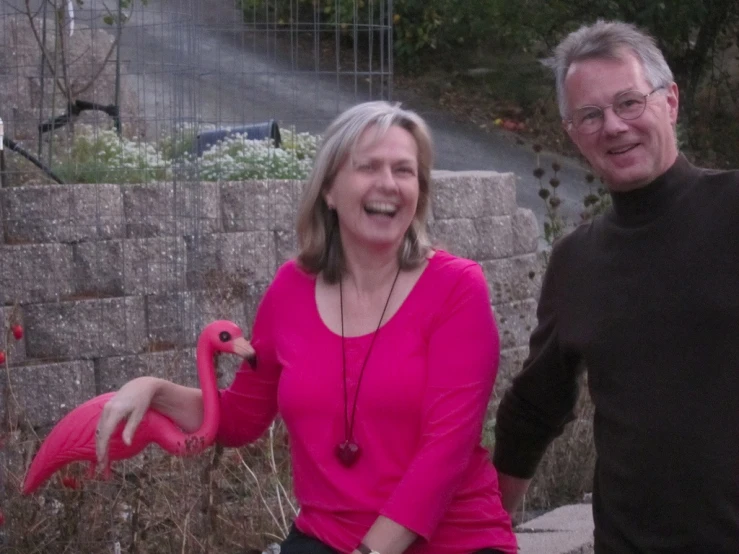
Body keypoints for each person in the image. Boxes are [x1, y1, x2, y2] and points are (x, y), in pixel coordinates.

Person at [96, 101, 518, 554]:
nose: (388, 185)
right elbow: (240, 418)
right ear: (329, 191)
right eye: (368, 167)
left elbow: (446, 450)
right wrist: (154, 390)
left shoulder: (456, 288)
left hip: (454, 541)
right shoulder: (290, 290)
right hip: (328, 539)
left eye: (404, 170)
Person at [492, 20, 739, 554]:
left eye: (629, 102)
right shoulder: (577, 260)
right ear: (572, 132)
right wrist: (484, 529)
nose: (613, 126)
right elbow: (533, 410)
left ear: (670, 101)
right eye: (590, 115)